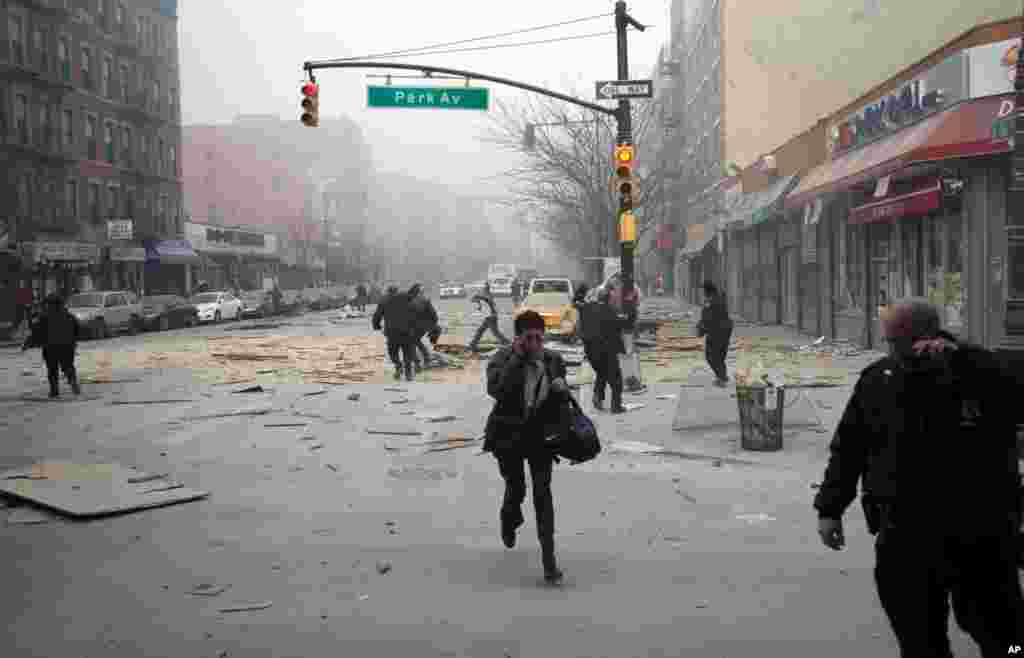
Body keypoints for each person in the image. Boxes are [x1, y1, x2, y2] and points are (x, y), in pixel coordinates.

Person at [814, 298, 1022, 658]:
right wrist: (829, 508)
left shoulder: (980, 368)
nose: (889, 348)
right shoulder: (880, 379)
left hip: (979, 532)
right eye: (889, 341)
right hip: (905, 533)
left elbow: (1007, 407)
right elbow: (849, 448)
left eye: (895, 340)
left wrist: (957, 363)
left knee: (1005, 636)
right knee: (918, 637)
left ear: (921, 336)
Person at [483, 310, 571, 585]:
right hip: (507, 435)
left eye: (539, 338)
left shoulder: (553, 360)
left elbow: (562, 401)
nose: (535, 344)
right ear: (518, 338)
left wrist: (561, 390)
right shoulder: (502, 358)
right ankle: (509, 517)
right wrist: (518, 359)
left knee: (543, 496)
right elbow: (497, 390)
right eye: (529, 338)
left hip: (540, 438)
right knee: (516, 488)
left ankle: (549, 561)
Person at [22, 293, 82, 398]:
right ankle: (72, 381)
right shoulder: (69, 316)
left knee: (52, 370)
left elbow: (36, 331)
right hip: (67, 346)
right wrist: (74, 341)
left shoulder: (44, 317)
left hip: (51, 347)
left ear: (49, 304)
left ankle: (54, 391)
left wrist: (28, 317)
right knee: (68, 366)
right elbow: (77, 329)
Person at [578, 288, 628, 413]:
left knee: (602, 373)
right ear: (608, 299)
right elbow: (618, 327)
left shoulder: (587, 308)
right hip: (606, 350)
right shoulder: (609, 311)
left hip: (590, 351)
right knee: (616, 379)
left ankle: (598, 397)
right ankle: (616, 406)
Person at [372, 285, 416, 381]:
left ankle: (398, 365)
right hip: (406, 331)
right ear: (397, 291)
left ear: (388, 292)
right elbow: (414, 311)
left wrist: (376, 326)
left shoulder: (383, 301)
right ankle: (408, 373)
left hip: (392, 332)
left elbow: (377, 315)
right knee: (407, 352)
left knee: (392, 352)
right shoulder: (406, 298)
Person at [697, 280, 733, 387]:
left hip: (716, 332)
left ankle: (721, 378)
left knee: (711, 356)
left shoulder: (711, 302)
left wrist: (701, 330)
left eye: (703, 291)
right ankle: (722, 376)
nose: (702, 294)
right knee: (720, 356)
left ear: (707, 291)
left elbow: (707, 319)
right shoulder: (718, 298)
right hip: (724, 331)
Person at [468, 282, 509, 352]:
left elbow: (472, 299)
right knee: (482, 331)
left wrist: (476, 296)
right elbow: (484, 304)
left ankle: (507, 343)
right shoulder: (488, 295)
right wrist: (480, 306)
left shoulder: (483, 296)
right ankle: (473, 344)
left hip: (490, 317)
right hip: (491, 316)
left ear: (484, 289)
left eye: (483, 288)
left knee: (493, 332)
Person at [408, 283, 439, 371]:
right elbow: (434, 316)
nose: (423, 293)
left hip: (413, 327)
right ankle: (426, 358)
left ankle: (418, 363)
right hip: (423, 327)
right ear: (419, 292)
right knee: (415, 341)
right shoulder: (425, 300)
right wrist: (431, 327)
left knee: (411, 343)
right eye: (422, 291)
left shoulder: (409, 300)